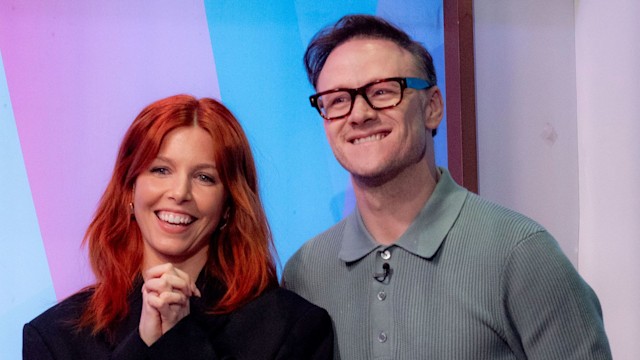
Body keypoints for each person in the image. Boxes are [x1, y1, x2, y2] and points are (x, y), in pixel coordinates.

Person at [283, 14, 611, 359]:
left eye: (382, 92)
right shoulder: (305, 273)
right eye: (336, 100)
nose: (359, 113)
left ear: (433, 108)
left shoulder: (521, 254)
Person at [23, 95, 333, 359]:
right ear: (130, 190)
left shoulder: (291, 328)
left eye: (204, 177)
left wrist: (181, 340)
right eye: (160, 170)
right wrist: (143, 345)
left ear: (228, 205)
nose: (179, 193)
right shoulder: (55, 338)